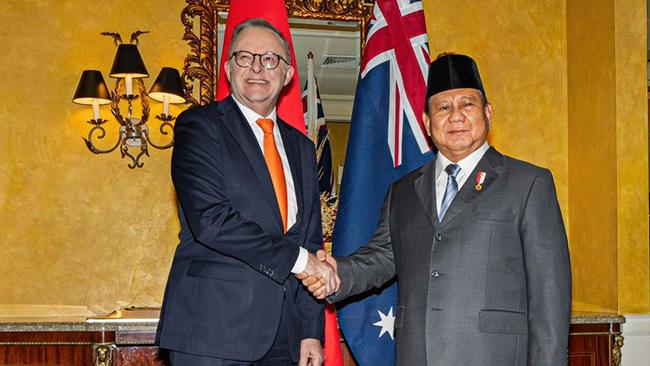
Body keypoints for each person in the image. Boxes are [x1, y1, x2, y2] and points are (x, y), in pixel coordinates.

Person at [300, 53, 572, 366]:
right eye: (443, 107)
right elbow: (379, 258)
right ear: (428, 123)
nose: (456, 116)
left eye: (467, 104)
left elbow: (549, 295)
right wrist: (335, 275)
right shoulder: (403, 191)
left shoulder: (528, 183)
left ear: (488, 113)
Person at [156, 18, 337, 366]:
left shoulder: (301, 146)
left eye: (270, 59)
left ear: (286, 76)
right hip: (213, 333)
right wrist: (303, 262)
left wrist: (311, 331)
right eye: (245, 57)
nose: (257, 67)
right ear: (228, 69)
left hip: (286, 337)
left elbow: (310, 240)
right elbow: (211, 221)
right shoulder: (200, 126)